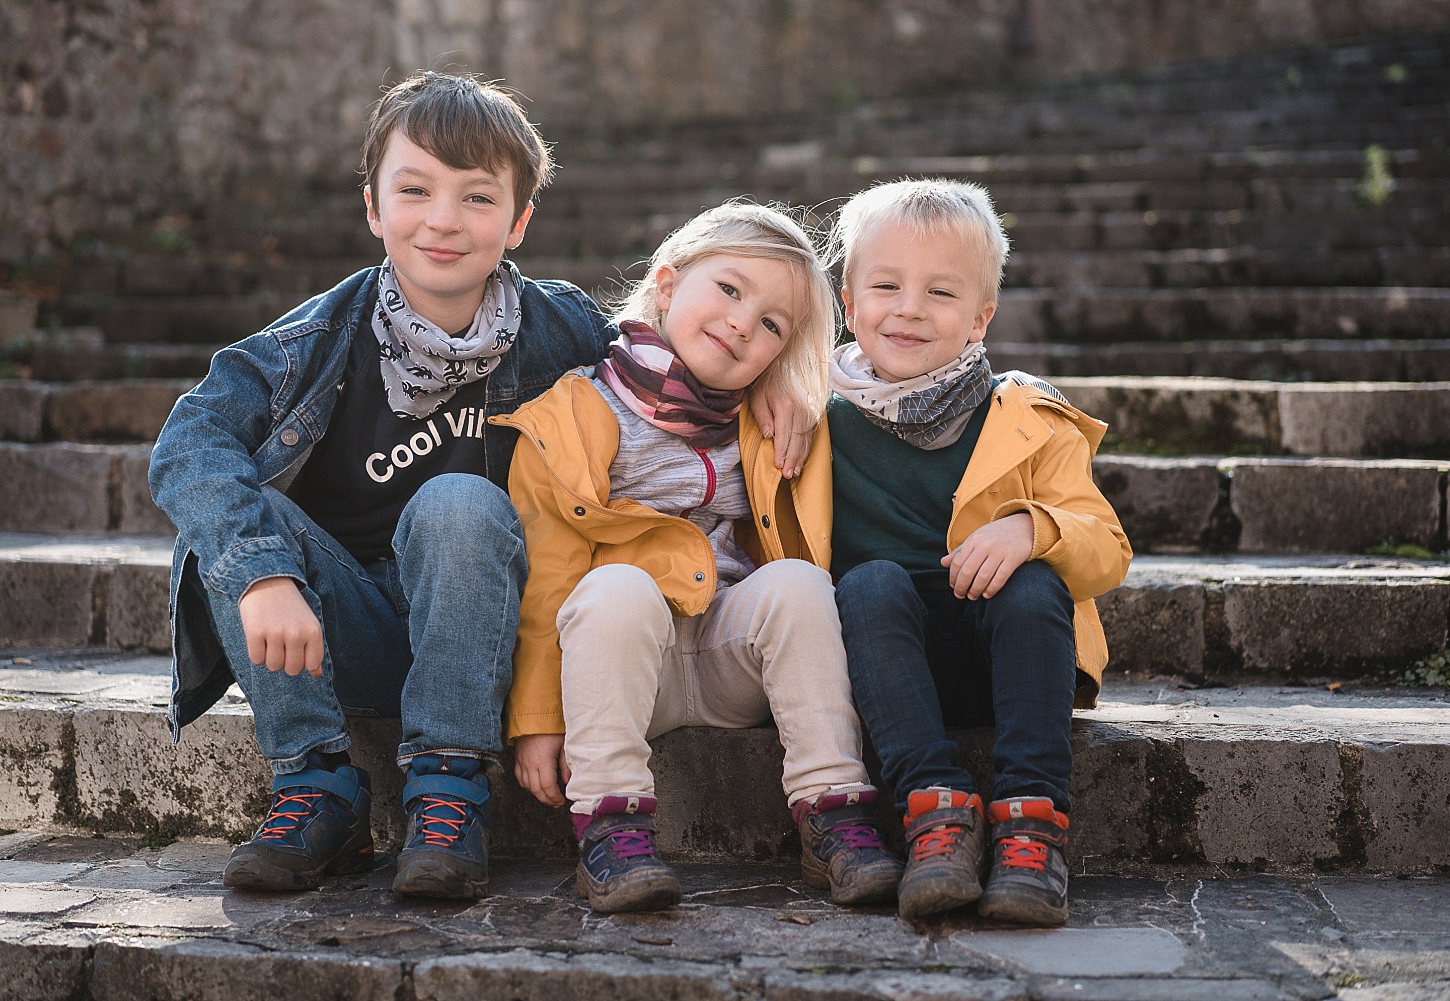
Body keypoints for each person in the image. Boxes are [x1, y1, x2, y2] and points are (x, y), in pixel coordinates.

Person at [148, 71, 616, 899]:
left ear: (519, 221)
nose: (443, 219)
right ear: (372, 206)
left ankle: (450, 789)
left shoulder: (565, 329)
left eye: (477, 198)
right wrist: (261, 573)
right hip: (346, 633)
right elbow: (190, 439)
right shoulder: (316, 337)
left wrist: (780, 395)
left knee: (461, 501)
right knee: (231, 514)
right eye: (414, 190)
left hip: (492, 634)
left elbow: (675, 378)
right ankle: (318, 782)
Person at [494, 201, 902, 914]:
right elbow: (547, 576)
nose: (745, 322)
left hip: (723, 655)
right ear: (668, 282)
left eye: (774, 324)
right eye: (730, 290)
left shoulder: (770, 422)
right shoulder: (576, 414)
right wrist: (535, 718)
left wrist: (793, 400)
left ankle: (833, 809)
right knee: (615, 584)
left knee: (800, 584)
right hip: (618, 670)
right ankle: (612, 827)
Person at [826, 179, 1132, 926]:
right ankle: (937, 812)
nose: (908, 308)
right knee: (866, 583)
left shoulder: (1027, 415)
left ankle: (1033, 824)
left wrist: (1032, 527)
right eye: (887, 285)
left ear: (979, 317)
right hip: (882, 667)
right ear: (848, 301)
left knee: (1032, 585)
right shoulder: (810, 416)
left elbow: (1108, 548)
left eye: (940, 292)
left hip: (1008, 660)